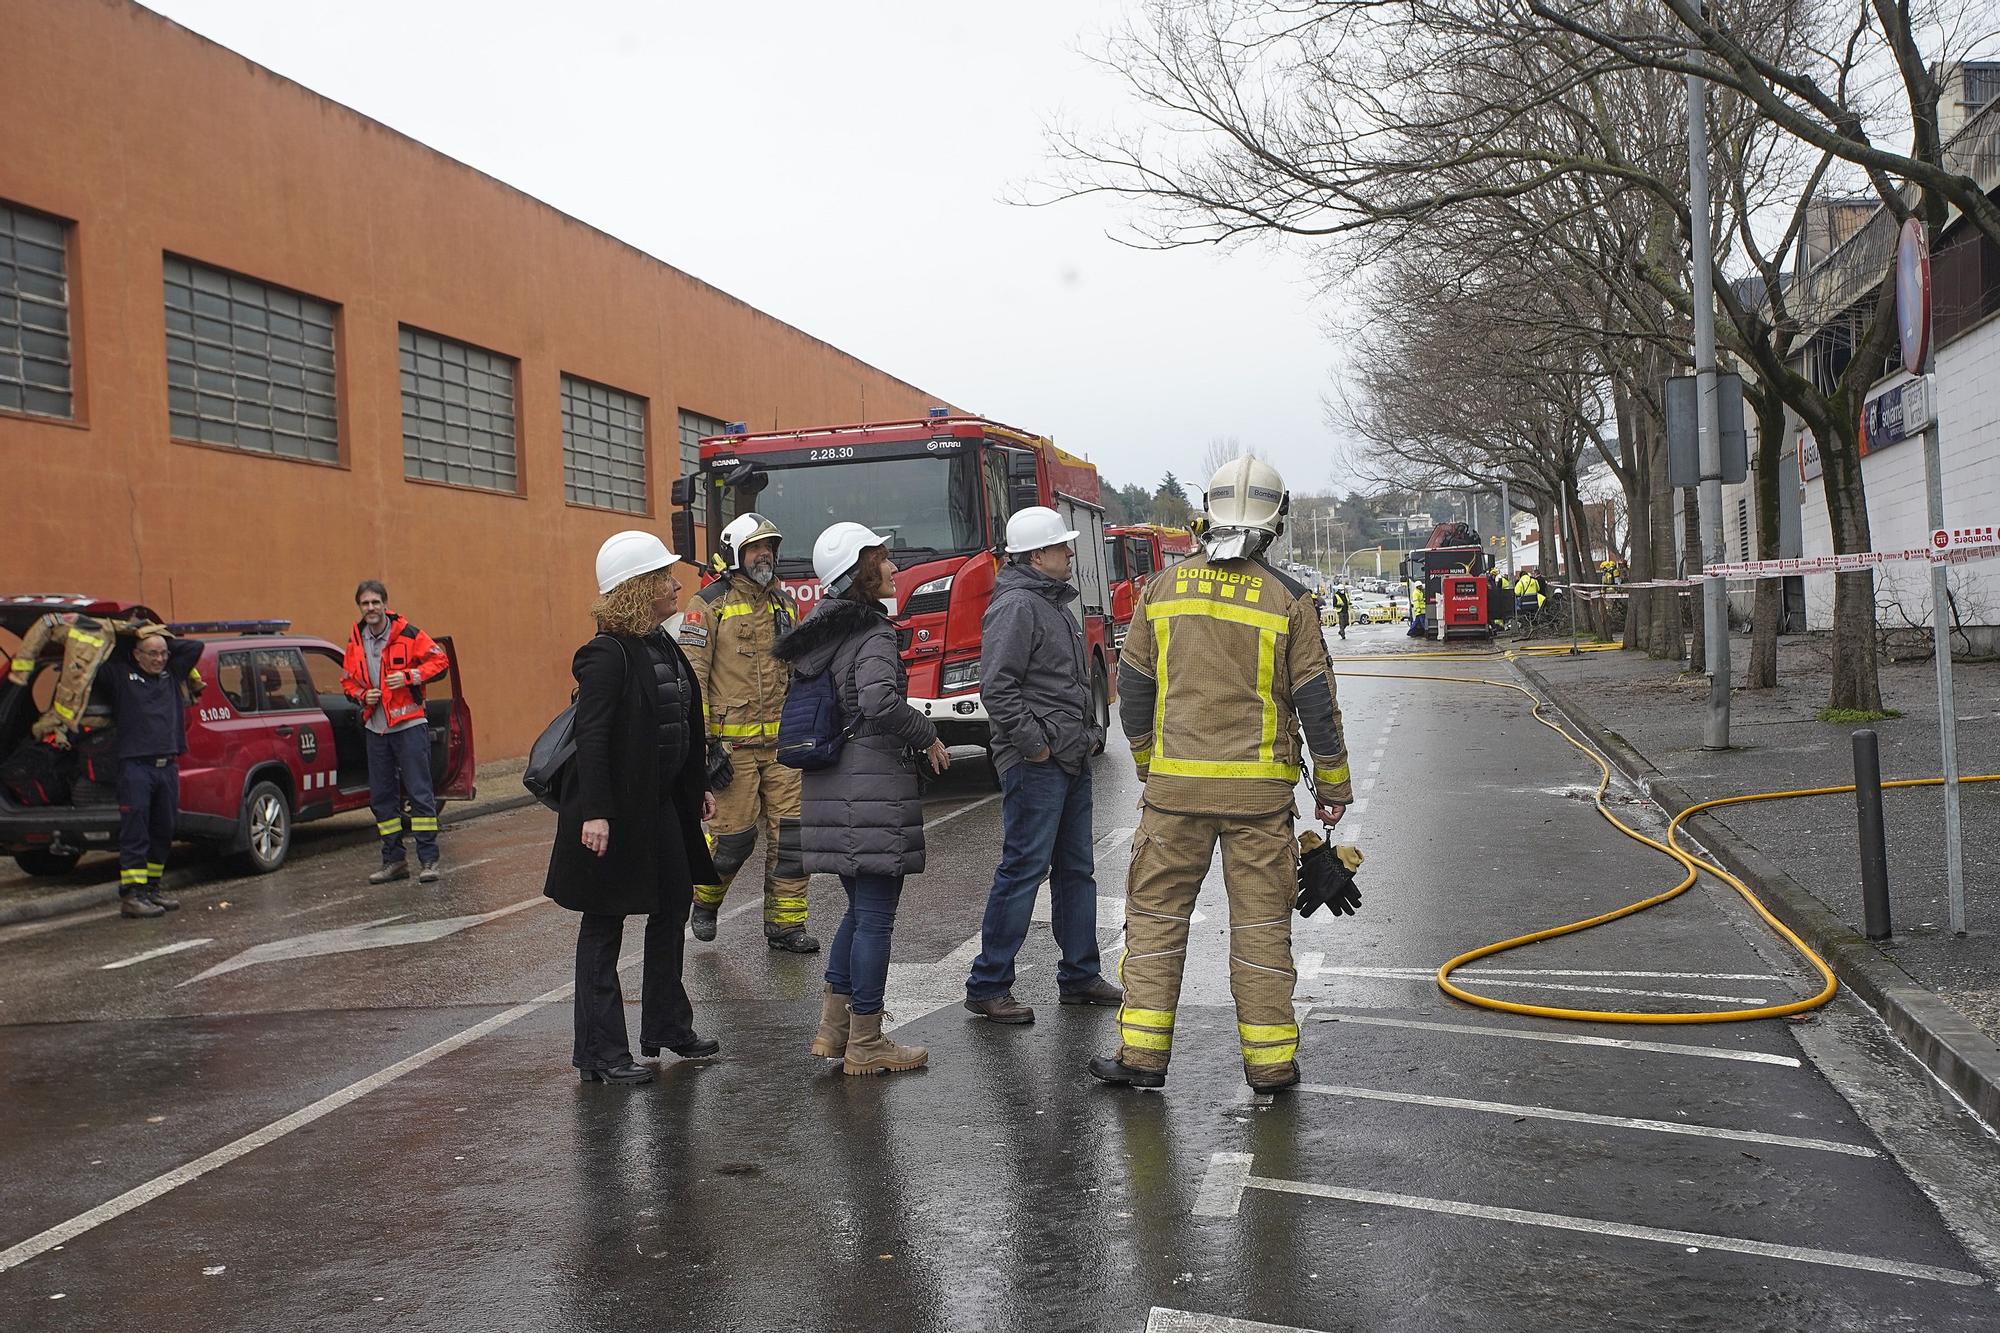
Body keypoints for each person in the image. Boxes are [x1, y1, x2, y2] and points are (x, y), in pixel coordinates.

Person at [1091, 456, 1352, 1092]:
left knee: (1154, 921)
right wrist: (1334, 788)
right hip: (1259, 799)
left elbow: (1133, 683)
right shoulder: (1291, 600)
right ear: (1277, 521)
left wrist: (1152, 764)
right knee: (1262, 930)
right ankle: (1270, 1065)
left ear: (1207, 515)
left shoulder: (1159, 590)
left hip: (1174, 796)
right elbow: (1315, 698)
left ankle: (1142, 1058)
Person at [772, 522, 951, 1076]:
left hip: (830, 785)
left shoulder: (818, 633)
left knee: (860, 909)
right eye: (883, 559)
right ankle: (867, 1042)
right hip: (869, 785)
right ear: (860, 571)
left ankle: (835, 1029)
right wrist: (927, 735)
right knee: (875, 916)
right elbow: (878, 702)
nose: (894, 568)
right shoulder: (871, 634)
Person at [544, 531, 721, 1086]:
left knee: (672, 905)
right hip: (612, 812)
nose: (676, 584)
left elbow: (678, 724)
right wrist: (595, 813)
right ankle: (600, 1052)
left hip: (659, 803)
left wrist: (697, 789)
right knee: (605, 924)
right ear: (638, 588)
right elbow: (593, 738)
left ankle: (667, 1025)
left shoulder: (661, 643)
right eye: (664, 576)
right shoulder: (606, 653)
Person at [963, 506, 1121, 1025]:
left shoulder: (1049, 603)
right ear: (1037, 556)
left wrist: (1085, 736)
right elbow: (998, 689)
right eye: (1061, 547)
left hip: (1067, 756)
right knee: (1024, 869)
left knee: (1076, 870)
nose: (1071, 554)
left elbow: (1063, 682)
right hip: (1039, 762)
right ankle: (988, 984)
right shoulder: (1017, 607)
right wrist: (1035, 747)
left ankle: (1079, 975)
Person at [680, 513, 817, 953]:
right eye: (758, 548)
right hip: (730, 751)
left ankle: (786, 926)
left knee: (792, 839)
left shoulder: (785, 605)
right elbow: (692, 678)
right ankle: (705, 901)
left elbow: (799, 673)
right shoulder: (708, 606)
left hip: (782, 749)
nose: (767, 555)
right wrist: (701, 747)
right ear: (735, 552)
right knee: (731, 841)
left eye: (771, 548)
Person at [340, 581, 451, 885]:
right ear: (359, 607)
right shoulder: (356, 640)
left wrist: (408, 676)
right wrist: (364, 695)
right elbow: (347, 681)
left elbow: (439, 661)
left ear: (385, 604)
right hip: (376, 728)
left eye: (375, 602)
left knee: (419, 793)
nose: (371, 608)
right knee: (382, 797)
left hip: (409, 725)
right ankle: (394, 861)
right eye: (365, 603)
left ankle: (429, 860)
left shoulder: (408, 633)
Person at [103, 623, 205, 919]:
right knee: (136, 831)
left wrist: (159, 637)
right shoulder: (121, 676)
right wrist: (135, 634)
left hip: (167, 766)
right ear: (136, 655)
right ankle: (132, 895)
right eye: (152, 653)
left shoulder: (171, 675)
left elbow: (194, 648)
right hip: (136, 767)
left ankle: (151, 889)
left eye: (163, 653)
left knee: (163, 830)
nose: (159, 659)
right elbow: (104, 658)